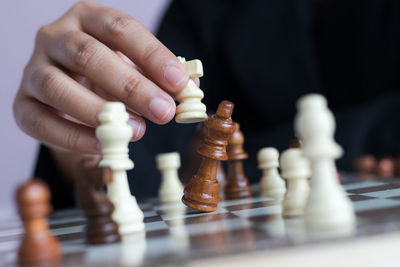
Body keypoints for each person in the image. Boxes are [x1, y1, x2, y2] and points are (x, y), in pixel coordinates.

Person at [13, 0, 400, 209]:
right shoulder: (205, 9)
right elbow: (150, 173)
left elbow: (189, 167)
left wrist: (213, 165)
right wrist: (78, 141)